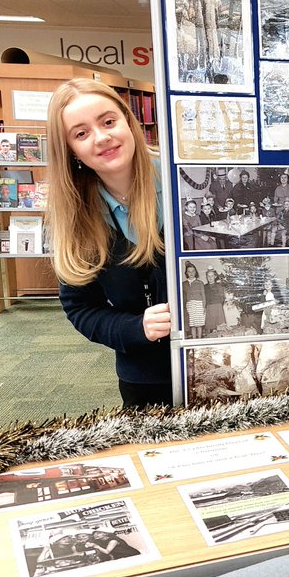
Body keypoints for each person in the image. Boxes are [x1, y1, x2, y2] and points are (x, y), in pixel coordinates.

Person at [47, 77, 172, 409]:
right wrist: (136, 328)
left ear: (128, 122)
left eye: (108, 121)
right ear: (70, 150)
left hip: (226, 358)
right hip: (145, 375)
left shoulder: (187, 185)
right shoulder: (76, 216)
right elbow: (81, 307)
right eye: (81, 133)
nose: (101, 138)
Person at [183, 262, 206, 340]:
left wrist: (204, 306)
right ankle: (193, 339)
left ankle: (199, 339)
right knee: (192, 324)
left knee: (199, 324)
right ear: (186, 273)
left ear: (195, 272)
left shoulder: (200, 283)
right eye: (189, 271)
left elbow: (203, 295)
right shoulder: (184, 284)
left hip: (199, 304)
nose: (191, 273)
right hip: (189, 305)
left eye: (193, 271)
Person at [203, 268, 226, 335]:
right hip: (209, 307)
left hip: (218, 306)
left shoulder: (219, 286)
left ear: (215, 276)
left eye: (212, 276)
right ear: (206, 277)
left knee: (220, 325)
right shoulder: (204, 287)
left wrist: (219, 304)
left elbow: (222, 297)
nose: (210, 278)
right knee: (210, 325)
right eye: (208, 276)